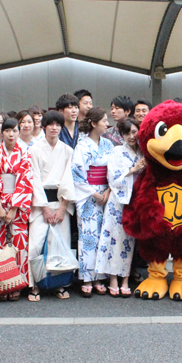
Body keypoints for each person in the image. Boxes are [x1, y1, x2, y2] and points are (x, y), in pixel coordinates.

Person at [27, 111, 77, 301]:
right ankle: (34, 285)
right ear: (44, 127)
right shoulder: (34, 150)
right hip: (41, 204)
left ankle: (60, 284)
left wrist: (63, 207)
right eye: (51, 124)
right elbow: (34, 180)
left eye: (58, 125)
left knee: (60, 244)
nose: (54, 128)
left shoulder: (67, 150)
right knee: (36, 245)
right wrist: (44, 208)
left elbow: (68, 179)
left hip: (60, 201)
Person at [0, 117, 34, 301]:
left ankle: (17, 282)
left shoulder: (25, 152)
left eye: (14, 130)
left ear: (19, 132)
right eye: (7, 131)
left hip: (18, 204)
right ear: (1, 133)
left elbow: (25, 181)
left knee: (19, 243)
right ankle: (1, 283)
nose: (11, 134)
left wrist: (13, 208)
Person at [95, 118, 145, 297]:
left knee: (128, 241)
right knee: (114, 240)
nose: (132, 136)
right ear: (122, 135)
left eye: (134, 132)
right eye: (128, 133)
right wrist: (132, 170)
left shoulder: (142, 152)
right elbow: (113, 178)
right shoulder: (117, 151)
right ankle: (113, 278)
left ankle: (125, 278)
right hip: (118, 202)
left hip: (135, 201)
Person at [71, 107, 113, 297]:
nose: (107, 123)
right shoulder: (82, 146)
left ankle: (99, 277)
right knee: (88, 236)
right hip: (87, 194)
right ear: (94, 124)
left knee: (103, 235)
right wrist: (93, 192)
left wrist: (107, 189)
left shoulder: (108, 145)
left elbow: (113, 170)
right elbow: (77, 173)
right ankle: (87, 277)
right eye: (104, 120)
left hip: (105, 192)